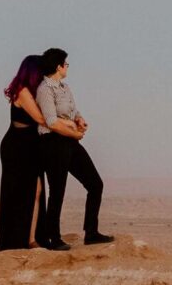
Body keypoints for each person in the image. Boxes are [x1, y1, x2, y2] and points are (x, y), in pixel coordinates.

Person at [35, 46, 113, 249]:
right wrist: (75, 132)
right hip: (52, 143)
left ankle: (91, 232)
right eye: (66, 64)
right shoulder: (44, 90)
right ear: (58, 66)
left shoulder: (65, 88)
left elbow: (73, 110)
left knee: (95, 184)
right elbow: (51, 122)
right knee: (58, 190)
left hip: (69, 142)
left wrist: (79, 120)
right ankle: (53, 238)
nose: (67, 67)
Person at [0, 53, 50, 249]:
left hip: (30, 146)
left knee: (36, 191)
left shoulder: (33, 93)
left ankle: (31, 238)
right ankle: (19, 241)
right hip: (17, 147)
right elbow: (42, 118)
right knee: (20, 192)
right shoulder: (23, 93)